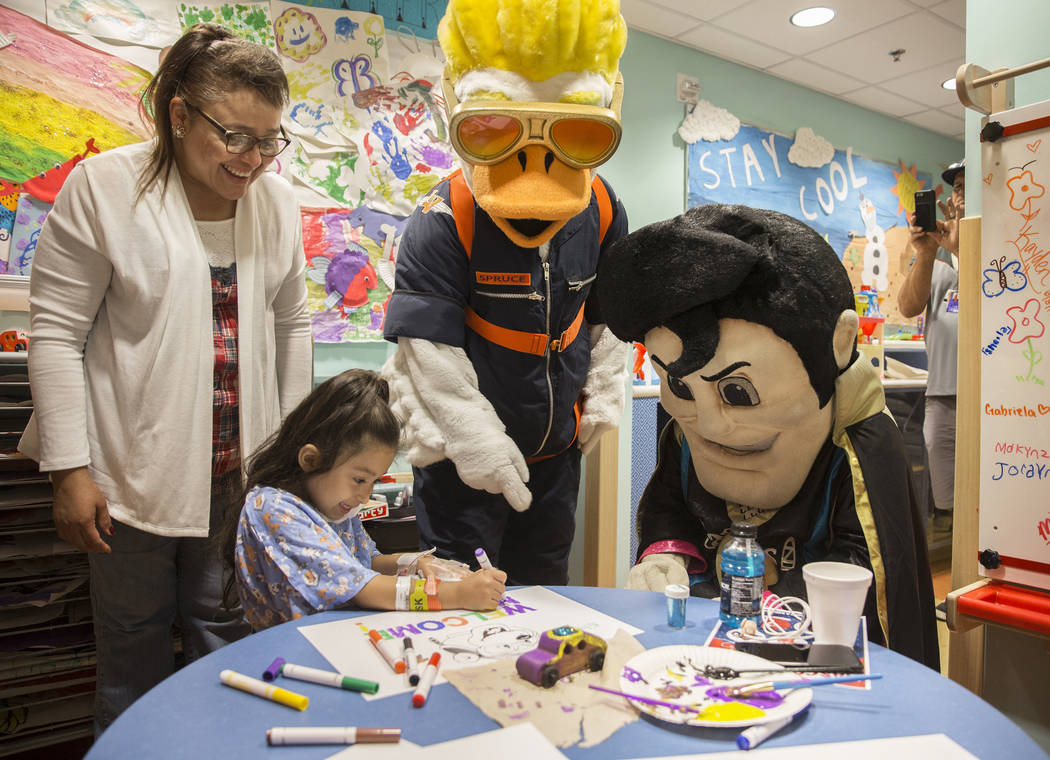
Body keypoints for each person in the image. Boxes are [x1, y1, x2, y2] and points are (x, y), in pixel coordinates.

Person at [17, 23, 312, 732]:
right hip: (128, 477)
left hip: (240, 480)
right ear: (179, 116)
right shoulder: (105, 187)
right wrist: (68, 470)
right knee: (132, 655)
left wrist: (295, 461)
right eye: (235, 136)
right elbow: (56, 331)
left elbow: (290, 324)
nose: (253, 160)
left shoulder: (274, 204)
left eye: (270, 140)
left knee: (230, 647)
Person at [594, 204, 939, 669]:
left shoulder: (859, 443)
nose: (711, 424)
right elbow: (670, 506)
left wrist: (770, 602)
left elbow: (867, 568)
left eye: (738, 391)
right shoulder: (684, 429)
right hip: (706, 636)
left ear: (837, 346)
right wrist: (668, 557)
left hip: (805, 645)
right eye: (679, 386)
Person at [381, 0, 630, 585]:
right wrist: (477, 442)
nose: (537, 166)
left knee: (546, 586)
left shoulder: (602, 207)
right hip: (461, 468)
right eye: (495, 128)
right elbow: (428, 352)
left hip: (555, 458)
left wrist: (602, 401)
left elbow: (611, 315)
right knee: (462, 590)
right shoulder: (442, 219)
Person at [229, 370, 507, 630]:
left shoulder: (333, 505)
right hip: (298, 648)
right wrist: (457, 593)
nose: (365, 496)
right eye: (360, 480)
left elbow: (366, 561)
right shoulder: (273, 509)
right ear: (311, 459)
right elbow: (362, 585)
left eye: (375, 481)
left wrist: (414, 564)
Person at [899, 160, 964, 542]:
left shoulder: (1002, 255)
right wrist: (926, 252)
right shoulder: (937, 266)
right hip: (941, 397)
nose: (960, 194)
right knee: (948, 506)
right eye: (956, 186)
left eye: (968, 185)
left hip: (992, 402)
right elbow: (907, 306)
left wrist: (965, 248)